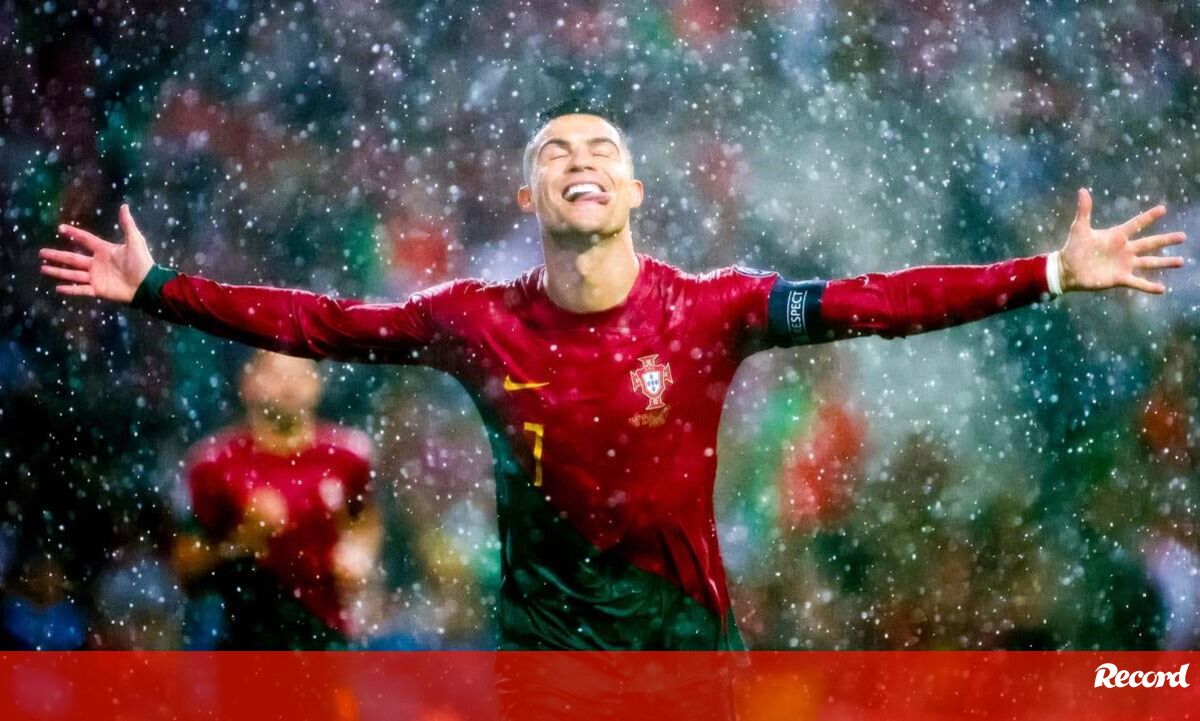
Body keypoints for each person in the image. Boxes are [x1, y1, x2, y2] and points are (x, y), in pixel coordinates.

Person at [40, 105, 1185, 650]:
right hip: (544, 657)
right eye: (557, 152)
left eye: (602, 151)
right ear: (531, 197)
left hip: (684, 647)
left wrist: (1047, 271)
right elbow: (323, 323)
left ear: (635, 193)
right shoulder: (475, 322)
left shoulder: (714, 309)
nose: (581, 160)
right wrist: (158, 288)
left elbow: (878, 301)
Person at [170, 350, 380, 649]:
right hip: (244, 640)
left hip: (326, 637)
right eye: (276, 374)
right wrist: (244, 538)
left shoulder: (348, 456)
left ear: (317, 384)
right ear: (248, 383)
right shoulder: (213, 464)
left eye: (298, 374)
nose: (288, 385)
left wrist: (358, 554)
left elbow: (364, 521)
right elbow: (186, 569)